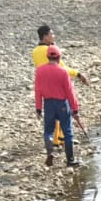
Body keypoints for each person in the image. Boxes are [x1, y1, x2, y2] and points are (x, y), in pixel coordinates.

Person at [31, 25, 84, 155]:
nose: (54, 36)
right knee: (66, 125)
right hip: (58, 89)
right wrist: (78, 74)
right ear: (45, 36)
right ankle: (69, 156)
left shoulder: (35, 52)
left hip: (46, 91)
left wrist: (38, 107)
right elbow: (64, 71)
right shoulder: (50, 50)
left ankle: (53, 144)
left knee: (50, 124)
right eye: (52, 34)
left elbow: (37, 89)